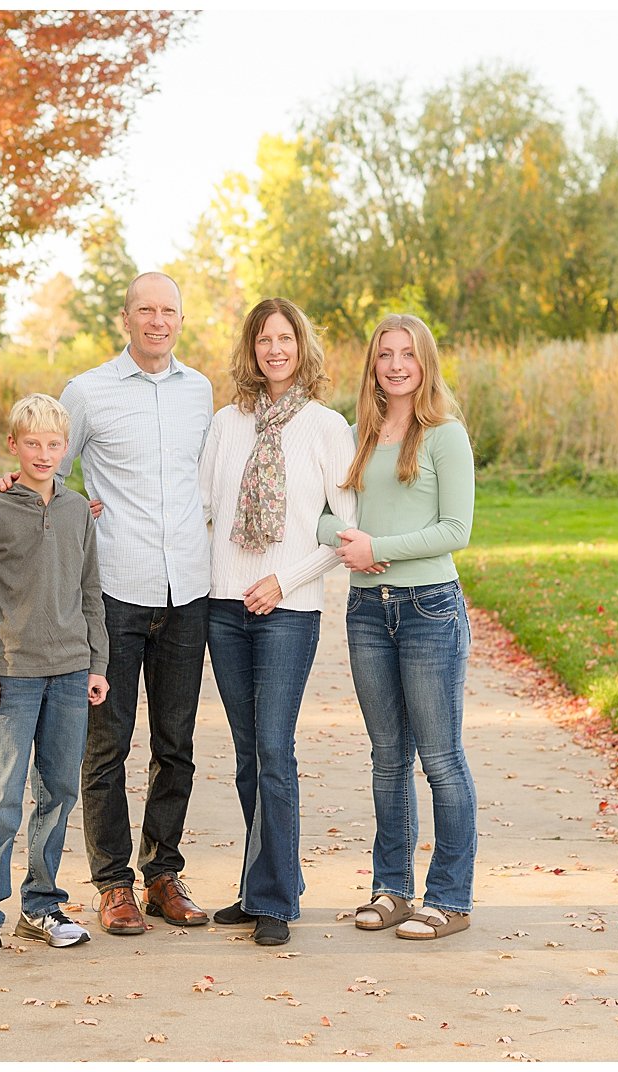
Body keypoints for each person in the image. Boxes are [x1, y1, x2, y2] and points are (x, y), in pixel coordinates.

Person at [56, 272, 214, 934]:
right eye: (146, 310)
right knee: (108, 745)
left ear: (180, 319)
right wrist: (73, 509)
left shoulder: (202, 392)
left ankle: (162, 876)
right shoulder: (87, 393)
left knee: (176, 743)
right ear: (125, 318)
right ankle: (113, 883)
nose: (158, 321)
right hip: (115, 593)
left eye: (168, 311)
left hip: (188, 592)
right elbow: (49, 475)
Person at [198, 298, 357, 947]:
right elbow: (201, 510)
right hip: (224, 608)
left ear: (302, 346)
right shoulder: (225, 424)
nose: (274, 349)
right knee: (245, 756)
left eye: (284, 337)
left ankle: (274, 901)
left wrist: (282, 582)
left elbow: (345, 534)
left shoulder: (326, 426)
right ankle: (266, 885)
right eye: (263, 339)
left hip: (288, 611)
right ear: (251, 349)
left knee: (272, 749)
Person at [319, 313, 477, 941]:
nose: (395, 364)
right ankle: (392, 890)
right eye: (385, 353)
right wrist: (354, 545)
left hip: (428, 609)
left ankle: (449, 898)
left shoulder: (445, 436)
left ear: (425, 361)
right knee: (388, 758)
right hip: (366, 611)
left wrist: (379, 544)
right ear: (373, 364)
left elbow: (455, 530)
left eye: (407, 353)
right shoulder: (356, 435)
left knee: (439, 757)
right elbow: (323, 517)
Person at [0, 394, 110, 965]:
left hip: (69, 673)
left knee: (59, 793)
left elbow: (91, 592)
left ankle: (42, 905)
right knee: (1, 798)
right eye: (32, 443)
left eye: (54, 444)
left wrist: (98, 664)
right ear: (13, 446)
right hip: (12, 677)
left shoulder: (75, 512)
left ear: (67, 450)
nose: (43, 453)